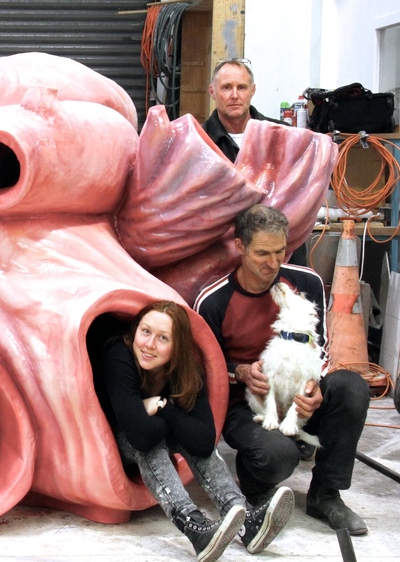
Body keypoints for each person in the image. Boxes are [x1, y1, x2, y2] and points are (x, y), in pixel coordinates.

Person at [194, 205, 370, 536]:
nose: (272, 263)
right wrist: (240, 372)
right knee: (278, 456)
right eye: (262, 253)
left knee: (351, 387)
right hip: (247, 402)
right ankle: (256, 483)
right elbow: (203, 368)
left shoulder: (306, 282)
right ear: (240, 246)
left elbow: (320, 345)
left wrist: (315, 386)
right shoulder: (213, 301)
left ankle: (326, 494)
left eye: (279, 252)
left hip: (298, 388)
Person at [99, 301, 293, 561]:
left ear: (177, 345)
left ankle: (245, 519)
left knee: (186, 436)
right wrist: (168, 421)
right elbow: (141, 437)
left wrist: (163, 407)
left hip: (148, 428)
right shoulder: (119, 356)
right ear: (135, 331)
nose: (149, 344)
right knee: (153, 443)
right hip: (108, 443)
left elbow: (203, 441)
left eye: (163, 338)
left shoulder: (187, 372)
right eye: (145, 332)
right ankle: (192, 524)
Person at [201, 58, 284, 162]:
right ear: (212, 92)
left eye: (241, 88)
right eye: (226, 87)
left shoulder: (281, 135)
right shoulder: (199, 140)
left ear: (252, 91)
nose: (235, 96)